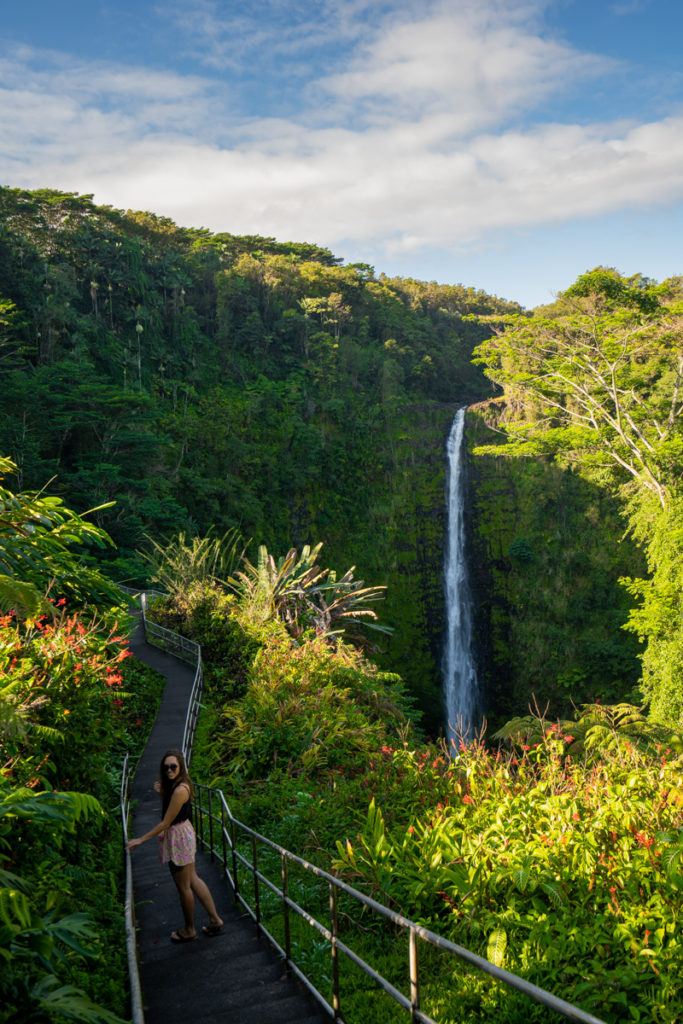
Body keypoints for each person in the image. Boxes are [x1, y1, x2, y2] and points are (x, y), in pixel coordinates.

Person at [127, 747, 224, 943]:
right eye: (166, 768)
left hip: (178, 836)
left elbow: (165, 822)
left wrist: (140, 839)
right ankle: (215, 920)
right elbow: (173, 812)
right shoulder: (177, 786)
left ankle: (189, 929)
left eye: (173, 767)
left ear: (181, 767)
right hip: (182, 833)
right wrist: (164, 793)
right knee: (192, 879)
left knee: (184, 886)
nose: (169, 770)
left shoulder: (179, 790)